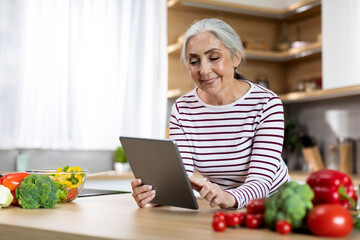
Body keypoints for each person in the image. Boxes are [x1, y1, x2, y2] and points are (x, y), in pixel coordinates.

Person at [131, 18, 289, 209]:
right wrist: (155, 196)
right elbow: (182, 179)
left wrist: (228, 197)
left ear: (236, 58)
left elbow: (261, 182)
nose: (204, 70)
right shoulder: (183, 109)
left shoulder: (266, 103)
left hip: (274, 206)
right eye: (194, 61)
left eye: (214, 58)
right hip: (222, 206)